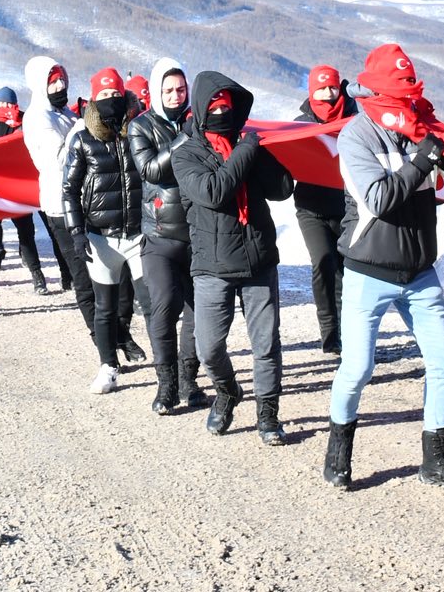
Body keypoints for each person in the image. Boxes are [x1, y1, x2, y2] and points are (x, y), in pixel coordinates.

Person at [323, 44, 444, 492]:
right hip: (368, 271)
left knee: (443, 364)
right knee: (358, 367)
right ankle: (338, 451)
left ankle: (436, 459)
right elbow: (377, 199)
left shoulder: (418, 126)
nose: (406, 101)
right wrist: (422, 160)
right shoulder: (356, 136)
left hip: (419, 272)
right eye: (399, 94)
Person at [171, 71, 292, 444]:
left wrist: (260, 153)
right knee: (209, 348)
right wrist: (246, 151)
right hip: (213, 264)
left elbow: (283, 188)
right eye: (215, 106)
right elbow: (215, 191)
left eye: (228, 105)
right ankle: (227, 392)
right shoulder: (186, 154)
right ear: (202, 109)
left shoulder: (248, 146)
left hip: (258, 258)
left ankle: (268, 414)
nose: (223, 111)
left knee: (265, 345)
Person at [63, 67, 146, 394]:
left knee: (153, 304)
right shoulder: (82, 138)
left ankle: (173, 370)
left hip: (139, 235)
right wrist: (76, 232)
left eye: (116, 94)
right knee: (105, 306)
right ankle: (108, 367)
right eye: (104, 95)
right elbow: (69, 189)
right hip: (100, 236)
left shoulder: (139, 129)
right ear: (94, 99)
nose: (111, 99)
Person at [128, 57, 203, 414]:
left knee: (196, 311)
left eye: (181, 89)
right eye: (168, 90)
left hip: (199, 230)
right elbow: (150, 169)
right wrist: (185, 138)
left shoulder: (197, 120)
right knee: (163, 307)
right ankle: (166, 384)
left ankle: (190, 379)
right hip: (159, 233)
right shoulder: (140, 127)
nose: (176, 96)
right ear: (157, 92)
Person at [291, 65, 353, 360]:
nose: (328, 94)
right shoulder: (300, 124)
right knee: (324, 261)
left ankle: (346, 331)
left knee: (347, 268)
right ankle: (329, 333)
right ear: (311, 91)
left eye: (332, 88)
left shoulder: (355, 120)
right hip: (311, 208)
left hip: (347, 207)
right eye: (321, 88)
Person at [0, 87, 51, 294]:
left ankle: (37, 276)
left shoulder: (26, 120)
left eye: (9, 104)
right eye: (1, 104)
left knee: (26, 232)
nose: (5, 108)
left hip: (18, 184)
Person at [25, 56, 84, 302]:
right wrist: (82, 127)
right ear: (40, 85)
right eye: (53, 82)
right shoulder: (38, 117)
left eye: (62, 79)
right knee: (83, 274)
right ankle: (103, 333)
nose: (61, 86)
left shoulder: (64, 113)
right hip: (59, 203)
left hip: (81, 198)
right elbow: (58, 160)